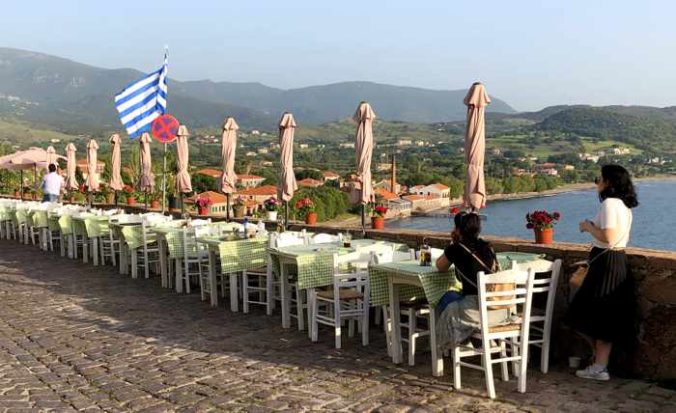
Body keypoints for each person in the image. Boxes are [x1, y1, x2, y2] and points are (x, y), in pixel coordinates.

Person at [567, 164, 638, 381]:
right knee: (604, 316)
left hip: (606, 263)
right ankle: (600, 364)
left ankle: (599, 364)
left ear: (608, 182)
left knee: (585, 314)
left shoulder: (609, 204)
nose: (596, 182)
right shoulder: (624, 207)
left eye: (599, 178)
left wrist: (588, 226)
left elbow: (608, 236)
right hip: (616, 261)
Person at [435, 212, 508, 351]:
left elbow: (440, 266)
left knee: (445, 297)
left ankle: (457, 339)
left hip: (475, 309)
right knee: (459, 295)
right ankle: (472, 333)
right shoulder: (488, 247)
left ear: (458, 229)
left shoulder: (456, 248)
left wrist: (454, 242)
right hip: (498, 309)